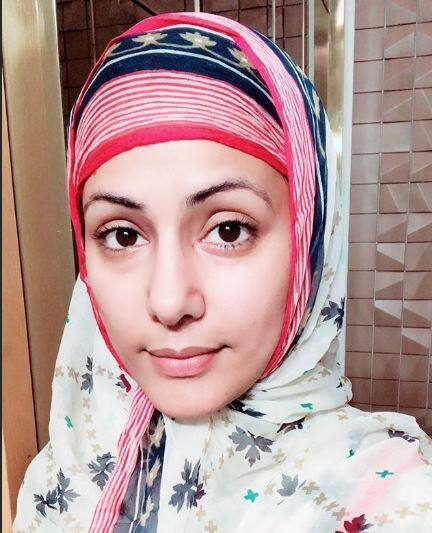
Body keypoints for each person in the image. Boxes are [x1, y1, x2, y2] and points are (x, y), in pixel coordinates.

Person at [14, 11, 432, 533]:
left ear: (309, 243)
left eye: (229, 231)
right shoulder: (60, 478)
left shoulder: (387, 498)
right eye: (122, 235)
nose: (169, 302)